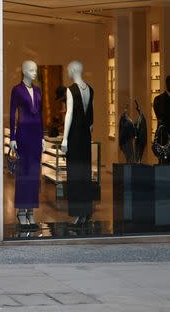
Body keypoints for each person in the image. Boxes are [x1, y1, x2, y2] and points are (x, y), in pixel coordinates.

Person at [8, 60, 45, 226]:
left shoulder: (37, 90)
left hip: (36, 135)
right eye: (31, 70)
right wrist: (13, 138)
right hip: (23, 135)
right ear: (24, 71)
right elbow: (11, 114)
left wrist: (42, 137)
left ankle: (31, 210)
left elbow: (40, 115)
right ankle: (21, 211)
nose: (35, 73)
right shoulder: (16, 90)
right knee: (23, 174)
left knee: (34, 174)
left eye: (36, 70)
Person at [60, 60, 95, 225]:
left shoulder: (71, 90)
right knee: (85, 173)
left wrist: (65, 138)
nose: (67, 71)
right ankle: (86, 211)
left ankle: (78, 213)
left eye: (68, 68)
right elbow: (91, 118)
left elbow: (69, 113)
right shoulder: (90, 90)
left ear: (73, 70)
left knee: (75, 173)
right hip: (85, 136)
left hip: (74, 135)